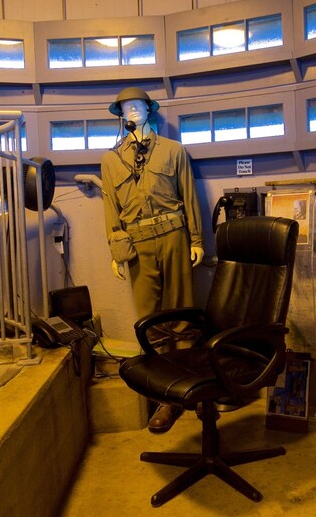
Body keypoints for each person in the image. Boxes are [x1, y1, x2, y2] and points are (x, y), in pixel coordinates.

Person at [99, 87, 204, 434]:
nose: (131, 111)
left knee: (184, 316)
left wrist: (198, 239)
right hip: (139, 244)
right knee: (152, 323)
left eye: (137, 105)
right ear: (120, 115)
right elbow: (111, 209)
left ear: (149, 109)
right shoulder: (111, 159)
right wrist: (117, 251)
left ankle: (195, 389)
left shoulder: (174, 151)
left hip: (174, 237)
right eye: (125, 107)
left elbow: (189, 194)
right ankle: (167, 398)